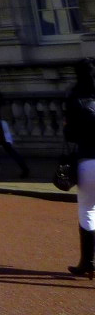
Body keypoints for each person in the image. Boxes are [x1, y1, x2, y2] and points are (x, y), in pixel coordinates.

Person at [65, 61, 95, 279]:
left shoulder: (75, 97)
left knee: (88, 210)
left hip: (89, 159)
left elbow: (70, 135)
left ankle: (88, 262)